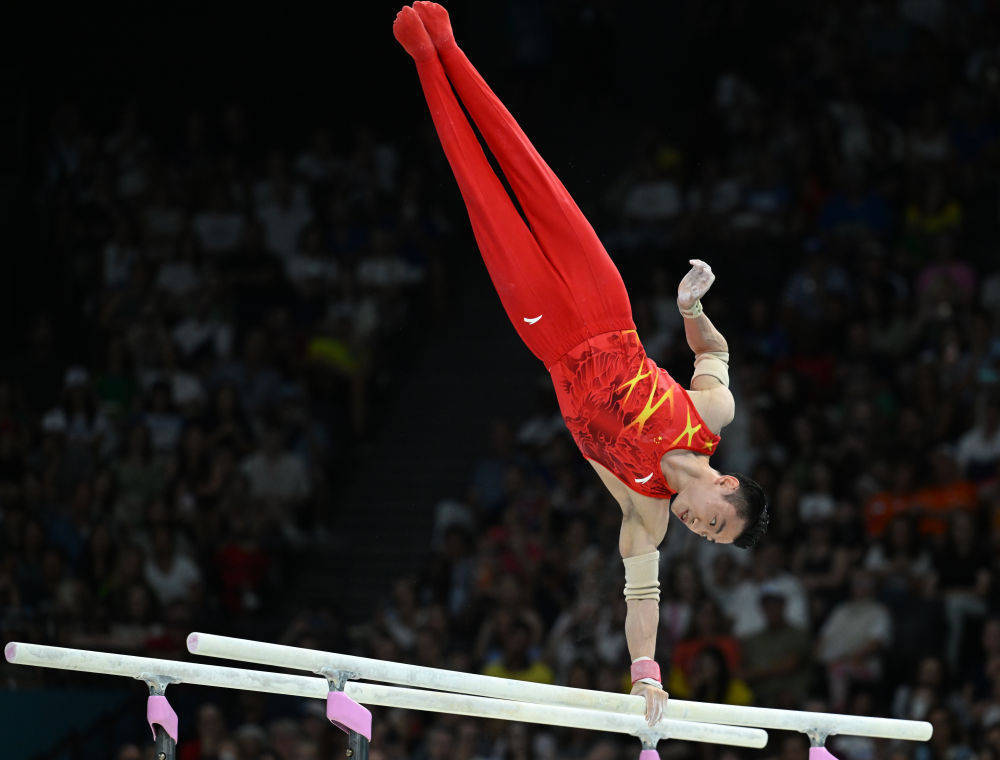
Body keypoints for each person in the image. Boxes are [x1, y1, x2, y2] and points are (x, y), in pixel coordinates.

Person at [393, 2, 769, 724]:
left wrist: (646, 675)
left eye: (711, 538)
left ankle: (422, 60)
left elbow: (642, 604)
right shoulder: (710, 416)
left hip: (553, 339)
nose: (702, 531)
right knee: (527, 165)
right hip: (606, 304)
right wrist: (692, 311)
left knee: (483, 192)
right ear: (725, 485)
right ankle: (448, 42)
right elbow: (715, 354)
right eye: (718, 523)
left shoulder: (644, 514)